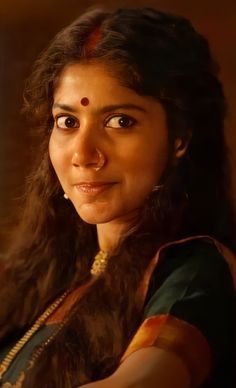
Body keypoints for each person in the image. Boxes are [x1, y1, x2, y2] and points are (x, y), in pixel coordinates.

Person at [0, 6, 235, 388]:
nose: (83, 153)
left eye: (120, 122)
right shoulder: (42, 276)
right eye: (67, 122)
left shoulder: (194, 273)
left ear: (180, 138)